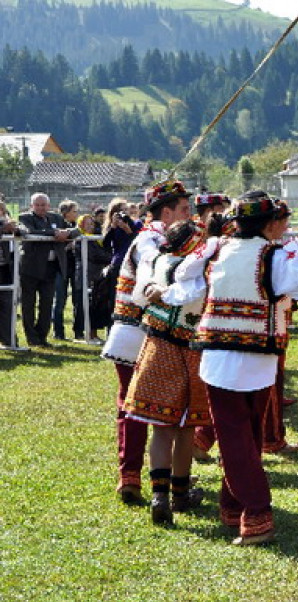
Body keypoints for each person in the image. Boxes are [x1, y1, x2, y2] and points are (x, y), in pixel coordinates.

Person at [173, 190, 298, 545]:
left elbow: (183, 275)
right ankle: (236, 508)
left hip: (218, 356)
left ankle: (256, 513)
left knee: (235, 440)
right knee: (248, 437)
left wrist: (163, 291)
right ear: (269, 223)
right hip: (260, 357)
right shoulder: (275, 257)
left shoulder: (216, 248)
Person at [101, 181, 192, 505]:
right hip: (138, 335)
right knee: (136, 408)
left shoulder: (157, 238)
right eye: (184, 210)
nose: (190, 216)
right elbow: (154, 274)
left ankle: (143, 477)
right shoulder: (150, 240)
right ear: (166, 212)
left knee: (140, 407)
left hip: (146, 335)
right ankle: (134, 477)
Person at [126, 220, 210, 525]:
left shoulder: (158, 260)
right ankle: (180, 493)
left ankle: (160, 495)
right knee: (186, 426)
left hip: (156, 345)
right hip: (188, 350)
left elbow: (140, 296)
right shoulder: (197, 273)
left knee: (161, 426)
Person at [18, 193, 77, 347]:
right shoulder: (25, 218)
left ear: (49, 206)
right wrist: (55, 234)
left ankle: (42, 337)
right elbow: (28, 232)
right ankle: (32, 338)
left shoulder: (56, 218)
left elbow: (76, 230)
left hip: (51, 269)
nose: (40, 208)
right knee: (28, 305)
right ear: (32, 206)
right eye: (37, 205)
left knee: (47, 304)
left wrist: (67, 233)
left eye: (43, 205)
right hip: (30, 269)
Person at [73, 212, 113, 340]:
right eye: (87, 224)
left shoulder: (96, 238)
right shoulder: (80, 239)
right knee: (81, 304)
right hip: (84, 274)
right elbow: (95, 256)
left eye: (92, 223)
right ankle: (79, 332)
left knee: (94, 305)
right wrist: (112, 258)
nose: (90, 226)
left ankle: (93, 333)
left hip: (97, 275)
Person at [51, 200, 80, 340]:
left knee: (78, 300)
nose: (77, 214)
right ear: (66, 213)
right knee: (60, 301)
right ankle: (58, 332)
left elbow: (82, 230)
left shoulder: (77, 226)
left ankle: (79, 331)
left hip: (75, 267)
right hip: (60, 268)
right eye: (74, 211)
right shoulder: (56, 225)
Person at [0, 200, 26, 348]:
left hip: (6, 270)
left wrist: (14, 230)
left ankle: (9, 341)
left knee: (8, 306)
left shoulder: (8, 224)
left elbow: (23, 231)